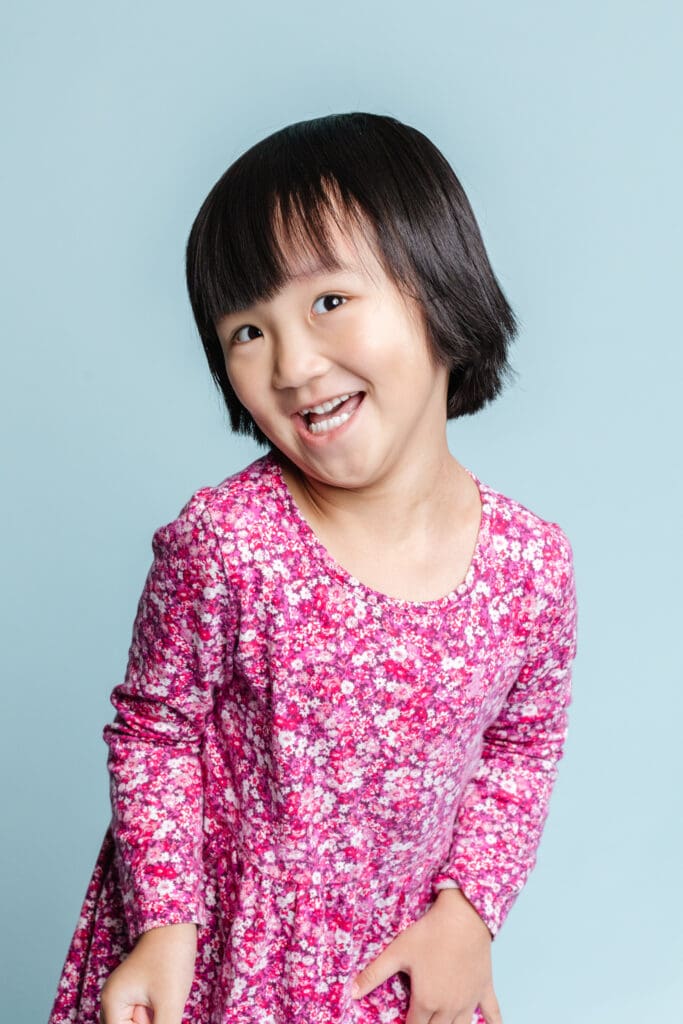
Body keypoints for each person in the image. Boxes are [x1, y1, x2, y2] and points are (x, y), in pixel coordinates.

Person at [48, 111, 579, 1024]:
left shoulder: (530, 570)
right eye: (245, 332)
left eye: (328, 301)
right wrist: (165, 922)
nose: (291, 363)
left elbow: (520, 751)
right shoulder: (225, 543)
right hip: (215, 969)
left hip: (392, 972)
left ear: (439, 288)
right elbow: (154, 731)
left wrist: (469, 915)